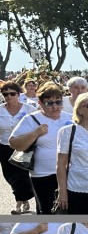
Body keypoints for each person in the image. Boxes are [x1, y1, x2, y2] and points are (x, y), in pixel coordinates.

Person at [9, 82, 73, 214]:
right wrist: (35, 133)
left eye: (58, 102)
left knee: (69, 211)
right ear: (40, 102)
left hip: (70, 173)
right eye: (49, 103)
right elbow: (14, 143)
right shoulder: (31, 119)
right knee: (47, 211)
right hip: (43, 174)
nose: (55, 107)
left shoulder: (70, 118)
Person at [0, 81, 35, 214]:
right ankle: (25, 199)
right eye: (6, 94)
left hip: (24, 146)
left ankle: (18, 205)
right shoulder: (0, 109)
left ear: (19, 94)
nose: (9, 97)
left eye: (12, 94)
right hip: (4, 146)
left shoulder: (29, 109)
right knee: (9, 176)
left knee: (21, 175)